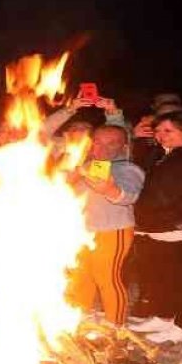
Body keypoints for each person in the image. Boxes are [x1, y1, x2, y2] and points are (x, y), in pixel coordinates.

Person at [129, 110, 182, 343]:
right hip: (153, 225)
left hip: (178, 227)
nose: (161, 136)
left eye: (168, 131)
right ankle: (164, 316)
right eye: (158, 131)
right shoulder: (161, 154)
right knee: (160, 276)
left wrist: (170, 216)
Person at [67, 126, 145, 326]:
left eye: (112, 143)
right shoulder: (87, 165)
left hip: (112, 230)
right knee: (81, 275)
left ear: (124, 146)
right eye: (98, 141)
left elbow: (129, 194)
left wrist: (110, 189)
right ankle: (78, 317)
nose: (103, 147)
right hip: (82, 231)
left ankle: (115, 325)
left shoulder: (126, 168)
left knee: (107, 277)